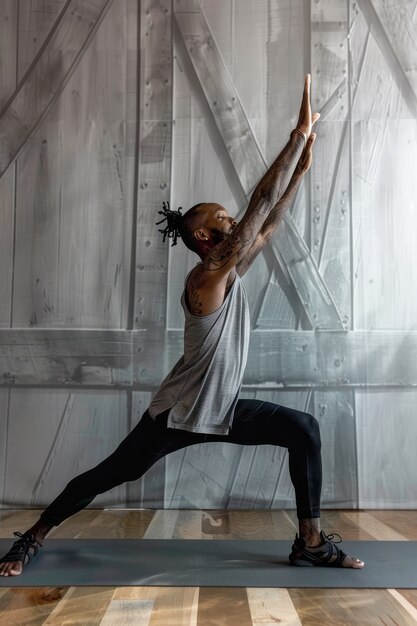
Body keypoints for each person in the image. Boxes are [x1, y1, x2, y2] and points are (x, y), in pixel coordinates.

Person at [0, 74, 364, 577]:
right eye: (225, 220)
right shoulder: (205, 277)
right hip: (177, 414)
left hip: (222, 408)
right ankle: (32, 538)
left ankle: (310, 541)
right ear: (202, 235)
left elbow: (268, 223)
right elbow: (259, 207)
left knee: (304, 430)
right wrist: (297, 136)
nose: (235, 222)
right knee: (106, 476)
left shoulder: (228, 268)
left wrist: (299, 173)